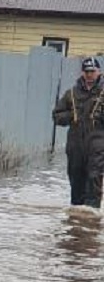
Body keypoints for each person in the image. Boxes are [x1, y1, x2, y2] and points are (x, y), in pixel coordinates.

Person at [52, 56, 104, 208]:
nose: (89, 75)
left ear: (99, 72)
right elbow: (56, 115)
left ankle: (90, 220)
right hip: (75, 146)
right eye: (86, 71)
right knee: (76, 182)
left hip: (97, 146)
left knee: (94, 179)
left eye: (92, 71)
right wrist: (70, 117)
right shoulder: (71, 93)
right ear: (82, 72)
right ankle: (76, 222)